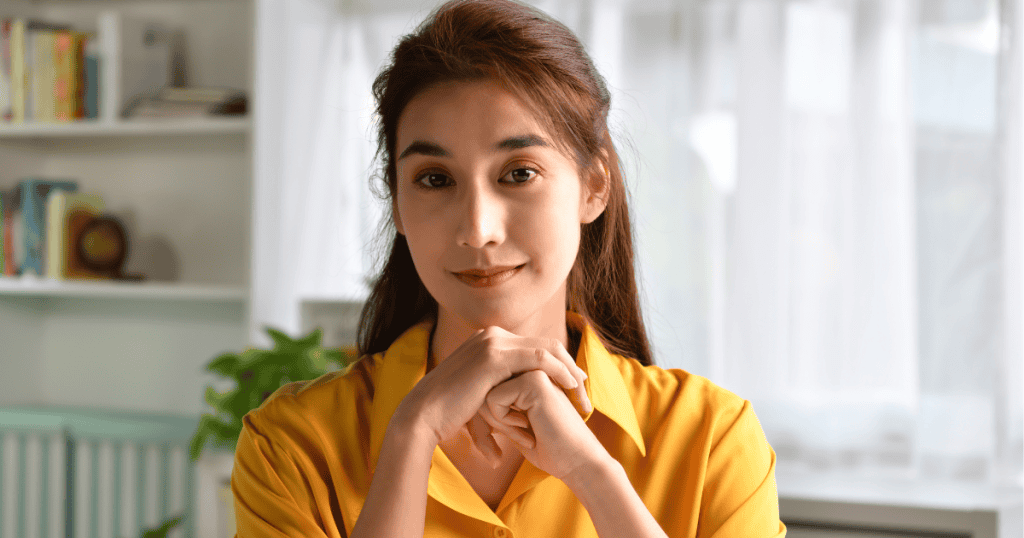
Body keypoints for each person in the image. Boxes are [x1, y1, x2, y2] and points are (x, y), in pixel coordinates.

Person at [231, 0, 787, 536]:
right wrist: (411, 434)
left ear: (593, 186)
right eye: (433, 178)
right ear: (398, 204)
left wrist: (594, 475)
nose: (478, 229)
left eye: (519, 173)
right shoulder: (291, 446)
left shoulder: (713, 436)